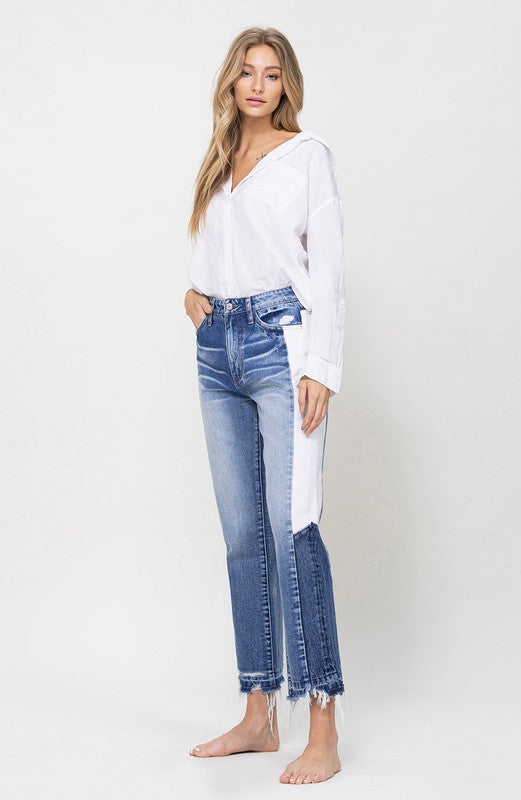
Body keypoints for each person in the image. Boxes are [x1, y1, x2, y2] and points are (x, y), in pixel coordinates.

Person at [184, 26, 346, 785]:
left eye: (271, 74)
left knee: (294, 530)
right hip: (217, 351)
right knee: (243, 537)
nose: (257, 85)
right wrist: (194, 293)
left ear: (286, 86)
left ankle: (321, 723)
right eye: (246, 72)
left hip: (284, 347)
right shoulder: (220, 164)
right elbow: (215, 256)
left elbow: (330, 264)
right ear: (231, 82)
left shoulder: (305, 155)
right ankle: (257, 713)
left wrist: (322, 365)